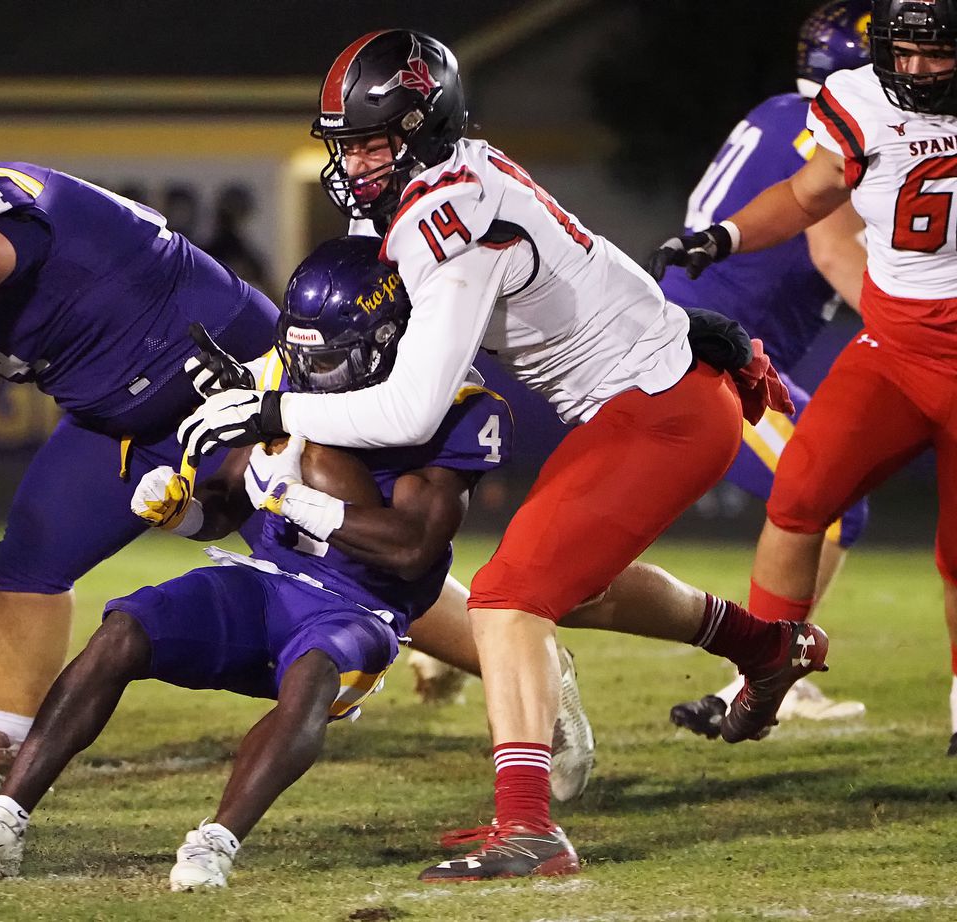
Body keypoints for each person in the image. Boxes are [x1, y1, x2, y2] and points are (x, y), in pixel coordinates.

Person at [0, 97, 599, 807]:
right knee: (33, 551)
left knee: (336, 557)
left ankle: (524, 663)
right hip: (117, 419)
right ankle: (1, 756)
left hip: (235, 374)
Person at [175, 29, 826, 881]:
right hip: (657, 393)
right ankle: (767, 649)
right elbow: (580, 256)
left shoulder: (446, 214)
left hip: (661, 409)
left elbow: (410, 405)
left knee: (509, 598)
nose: (357, 163)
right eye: (348, 144)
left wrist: (272, 405)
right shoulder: (459, 173)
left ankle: (527, 827)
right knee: (567, 587)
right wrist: (693, 328)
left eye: (374, 141)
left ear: (423, 126)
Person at [0, 235, 514, 884]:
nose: (307, 375)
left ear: (388, 343)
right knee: (123, 632)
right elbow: (228, 504)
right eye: (299, 353)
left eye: (329, 360)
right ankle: (3, 823)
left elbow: (411, 548)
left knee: (310, 678)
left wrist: (291, 495)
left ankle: (214, 843)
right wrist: (187, 514)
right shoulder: (282, 372)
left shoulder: (457, 408)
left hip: (359, 607)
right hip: (265, 581)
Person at [649, 0, 957, 756]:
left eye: (933, 53)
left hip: (739, 342)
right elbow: (817, 215)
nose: (912, 69)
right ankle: (761, 675)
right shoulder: (851, 106)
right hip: (835, 349)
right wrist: (727, 238)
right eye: (900, 51)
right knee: (809, 501)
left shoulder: (790, 105)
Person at [658, 0, 873, 738]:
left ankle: (771, 669)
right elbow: (835, 250)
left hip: (701, 335)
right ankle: (766, 674)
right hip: (716, 348)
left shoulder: (782, 109)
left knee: (833, 500)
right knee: (831, 500)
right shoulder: (831, 128)